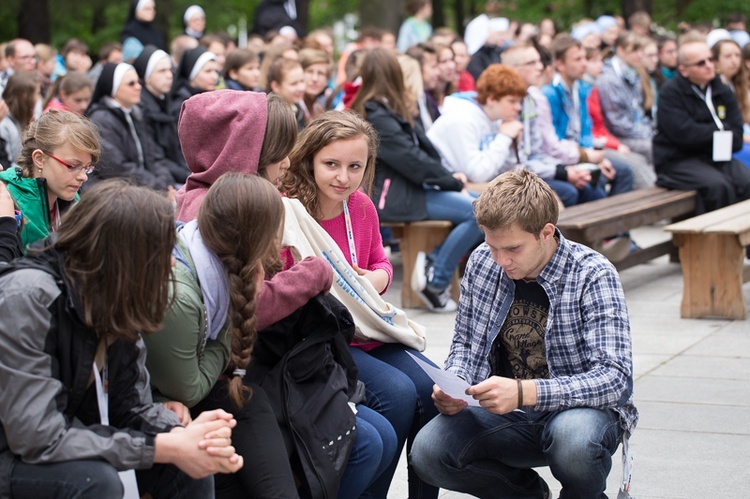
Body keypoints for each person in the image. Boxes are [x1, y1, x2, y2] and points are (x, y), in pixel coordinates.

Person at [0, 179, 243, 499]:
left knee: (186, 457)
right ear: (123, 255)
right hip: (13, 450)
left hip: (57, 436)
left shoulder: (113, 294)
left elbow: (131, 409)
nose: (171, 262)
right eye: (160, 250)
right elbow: (36, 437)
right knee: (95, 480)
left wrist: (186, 436)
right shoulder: (29, 296)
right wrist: (161, 446)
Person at [410, 169, 638, 498]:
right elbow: (465, 345)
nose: (501, 260)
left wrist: (523, 392)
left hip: (578, 413)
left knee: (574, 441)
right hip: (506, 414)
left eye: (513, 248)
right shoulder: (481, 263)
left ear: (546, 233)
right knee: (428, 452)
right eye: (492, 246)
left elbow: (615, 379)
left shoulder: (592, 273)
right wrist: (455, 384)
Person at [281, 110, 439, 499]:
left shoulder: (362, 206)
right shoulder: (292, 212)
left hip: (369, 328)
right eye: (331, 164)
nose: (343, 177)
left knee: (434, 390)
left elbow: (380, 261)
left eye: (355, 166)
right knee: (399, 394)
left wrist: (378, 278)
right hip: (328, 339)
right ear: (309, 160)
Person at [144, 173, 302, 498]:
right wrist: (233, 313)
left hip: (173, 392)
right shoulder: (180, 293)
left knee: (250, 403)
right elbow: (187, 389)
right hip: (150, 401)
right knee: (242, 423)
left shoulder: (203, 251)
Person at [350, 47, 484, 313]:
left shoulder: (385, 109)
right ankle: (436, 277)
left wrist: (448, 179)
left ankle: (435, 269)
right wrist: (451, 182)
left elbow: (418, 155)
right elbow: (410, 160)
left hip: (411, 189)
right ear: (392, 75)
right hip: (397, 195)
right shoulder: (376, 114)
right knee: (478, 211)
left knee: (483, 206)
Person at [654, 40, 750, 213]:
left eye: (710, 59)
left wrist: (708, 133)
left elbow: (736, 133)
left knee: (746, 180)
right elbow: (684, 135)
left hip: (717, 156)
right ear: (684, 70)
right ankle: (716, 238)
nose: (709, 66)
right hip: (678, 160)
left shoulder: (721, 89)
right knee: (718, 186)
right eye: (701, 63)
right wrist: (719, 131)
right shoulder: (671, 92)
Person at [0, 110, 99, 250]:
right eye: (72, 166)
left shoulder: (75, 202)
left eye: (86, 167)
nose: (84, 177)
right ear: (39, 159)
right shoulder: (8, 203)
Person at [427, 63, 526, 187]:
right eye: (512, 101)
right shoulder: (461, 119)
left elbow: (506, 172)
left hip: (470, 186)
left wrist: (512, 145)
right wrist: (504, 138)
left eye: (519, 101)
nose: (518, 108)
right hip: (441, 188)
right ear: (491, 99)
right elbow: (477, 175)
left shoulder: (497, 120)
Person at [86, 62, 174, 190]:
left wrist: (166, 182)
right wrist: (159, 186)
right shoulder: (101, 120)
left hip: (144, 187)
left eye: (138, 82)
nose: (138, 87)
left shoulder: (136, 113)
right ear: (113, 88)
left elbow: (154, 155)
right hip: (116, 192)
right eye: (131, 83)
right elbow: (117, 168)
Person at [133, 45, 189, 184]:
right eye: (162, 71)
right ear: (146, 77)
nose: (169, 75)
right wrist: (187, 174)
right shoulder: (141, 108)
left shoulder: (166, 102)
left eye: (170, 70)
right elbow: (154, 156)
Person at [597, 32, 654, 164]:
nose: (640, 55)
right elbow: (617, 123)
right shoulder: (609, 79)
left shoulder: (633, 74)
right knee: (653, 147)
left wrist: (650, 130)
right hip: (618, 137)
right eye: (634, 50)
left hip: (634, 133)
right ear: (620, 51)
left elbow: (638, 112)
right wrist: (646, 134)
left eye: (641, 50)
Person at [711, 38, 750, 167]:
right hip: (728, 142)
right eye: (728, 56)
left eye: (737, 55)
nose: (734, 60)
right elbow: (723, 124)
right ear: (715, 61)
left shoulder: (737, 83)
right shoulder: (714, 88)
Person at [1, 73, 41, 167]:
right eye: (37, 93)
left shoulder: (24, 119)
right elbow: (10, 163)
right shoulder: (5, 125)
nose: (38, 98)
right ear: (25, 97)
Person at [169, 46, 220, 119]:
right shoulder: (181, 106)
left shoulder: (214, 99)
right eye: (208, 71)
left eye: (216, 71)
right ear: (192, 73)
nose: (215, 77)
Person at [267, 56, 306, 128]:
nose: (301, 88)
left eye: (302, 81)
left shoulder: (297, 108)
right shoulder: (272, 118)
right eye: (294, 83)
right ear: (276, 86)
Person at [298, 48, 331, 125]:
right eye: (310, 71)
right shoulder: (292, 109)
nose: (314, 79)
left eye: (320, 73)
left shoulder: (321, 110)